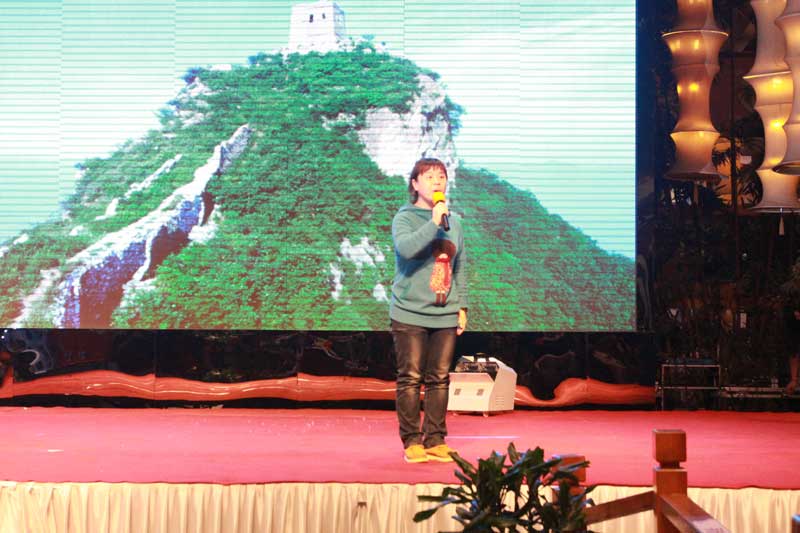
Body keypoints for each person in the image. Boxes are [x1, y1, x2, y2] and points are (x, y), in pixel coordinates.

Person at [390, 157, 468, 464]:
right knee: (410, 377)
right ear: (415, 184)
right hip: (409, 311)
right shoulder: (405, 218)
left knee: (440, 378)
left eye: (442, 176)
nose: (437, 181)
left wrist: (462, 306)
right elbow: (408, 249)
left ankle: (435, 439)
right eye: (430, 176)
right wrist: (433, 222)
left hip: (445, 311)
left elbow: (460, 266)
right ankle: (412, 440)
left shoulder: (455, 222)